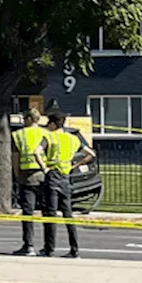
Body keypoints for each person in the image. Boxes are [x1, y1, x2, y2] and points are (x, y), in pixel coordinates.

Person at [43, 111, 95, 258]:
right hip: (66, 176)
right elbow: (90, 154)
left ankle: (49, 248)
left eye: (49, 123)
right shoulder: (72, 139)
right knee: (68, 214)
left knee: (51, 214)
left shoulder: (49, 136)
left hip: (52, 175)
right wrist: (75, 164)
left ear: (53, 124)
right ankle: (74, 249)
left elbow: (36, 151)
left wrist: (44, 167)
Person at [12, 108, 49, 256]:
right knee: (47, 211)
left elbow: (15, 157)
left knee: (28, 213)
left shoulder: (18, 135)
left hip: (26, 176)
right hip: (44, 175)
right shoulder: (46, 133)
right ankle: (48, 246)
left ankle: (29, 245)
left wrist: (16, 175)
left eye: (23, 118)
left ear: (28, 119)